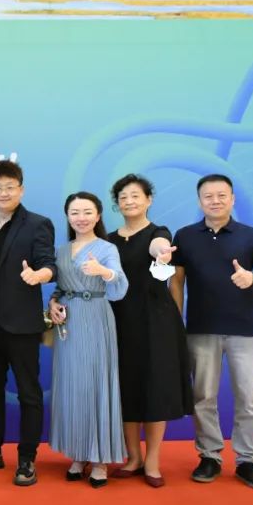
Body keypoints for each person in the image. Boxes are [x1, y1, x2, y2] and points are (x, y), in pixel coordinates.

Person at [171, 174, 253, 490]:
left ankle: (248, 461)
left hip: (246, 332)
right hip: (201, 329)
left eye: (222, 195)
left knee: (248, 398)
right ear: (200, 201)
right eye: (208, 196)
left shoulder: (252, 236)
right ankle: (209, 456)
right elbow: (175, 282)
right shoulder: (185, 236)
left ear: (232, 199)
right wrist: (176, 323)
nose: (215, 201)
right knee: (203, 397)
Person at [0, 160, 56, 487]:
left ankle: (27, 457)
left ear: (21, 189)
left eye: (9, 187)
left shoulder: (38, 224)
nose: (3, 193)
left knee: (29, 394)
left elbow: (49, 265)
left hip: (22, 325)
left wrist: (38, 275)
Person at [108, 175, 192, 488]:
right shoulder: (108, 240)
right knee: (126, 389)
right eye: (123, 197)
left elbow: (159, 248)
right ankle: (133, 457)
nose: (129, 201)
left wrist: (162, 253)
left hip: (155, 322)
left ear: (148, 200)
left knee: (155, 389)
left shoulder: (159, 233)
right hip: (118, 321)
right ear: (117, 204)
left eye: (135, 195)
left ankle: (153, 460)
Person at [47, 192, 128, 488]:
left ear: (98, 215)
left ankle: (100, 459)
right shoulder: (61, 250)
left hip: (96, 317)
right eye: (75, 212)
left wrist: (103, 271)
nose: (81, 218)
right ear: (68, 216)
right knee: (72, 387)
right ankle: (78, 454)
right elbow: (59, 287)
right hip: (68, 324)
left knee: (96, 385)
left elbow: (119, 284)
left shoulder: (106, 248)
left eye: (87, 212)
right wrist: (52, 303)